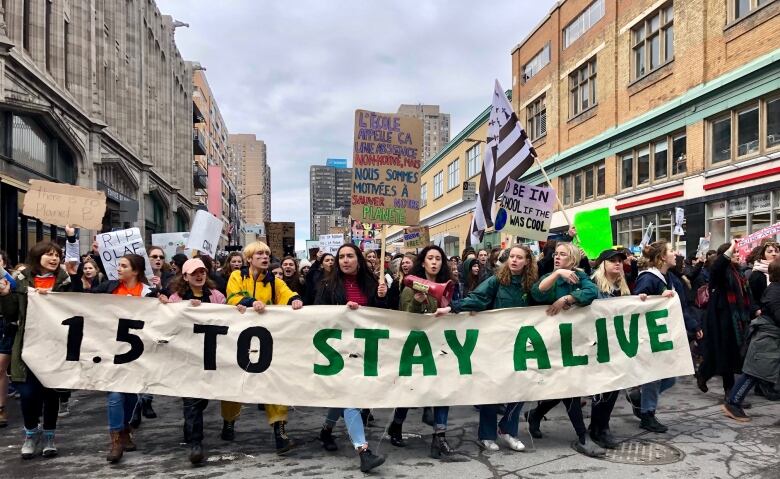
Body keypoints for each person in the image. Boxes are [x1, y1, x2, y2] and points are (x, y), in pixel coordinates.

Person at [440, 244, 537, 452]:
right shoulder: (496, 280)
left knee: (520, 389)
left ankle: (508, 430)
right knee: (492, 389)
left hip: (520, 343)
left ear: (527, 261)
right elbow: (477, 298)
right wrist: (453, 308)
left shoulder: (532, 284)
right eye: (512, 256)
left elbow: (544, 300)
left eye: (519, 257)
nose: (514, 260)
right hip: (496, 343)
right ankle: (486, 434)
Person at [75, 253, 159, 463]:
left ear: (136, 271)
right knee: (114, 394)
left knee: (132, 396)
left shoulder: (149, 293)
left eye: (123, 265)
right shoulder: (109, 287)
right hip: (112, 350)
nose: (118, 268)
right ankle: (115, 440)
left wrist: (163, 298)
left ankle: (125, 430)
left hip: (138, 353)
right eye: (118, 265)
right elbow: (82, 300)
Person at [0, 239, 78, 459]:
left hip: (55, 346)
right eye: (49, 254)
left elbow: (78, 306)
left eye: (57, 255)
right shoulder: (21, 281)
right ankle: (31, 433)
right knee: (27, 394)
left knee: (50, 393)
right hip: (27, 346)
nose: (54, 258)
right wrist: (5, 296)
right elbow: (11, 315)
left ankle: (50, 436)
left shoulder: (64, 281)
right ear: (37, 256)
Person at [224, 241, 303, 454]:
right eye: (260, 253)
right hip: (240, 340)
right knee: (234, 382)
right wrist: (250, 303)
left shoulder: (273, 280)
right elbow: (232, 297)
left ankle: (280, 432)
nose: (265, 256)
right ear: (249, 258)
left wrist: (295, 300)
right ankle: (229, 420)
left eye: (267, 253)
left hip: (266, 341)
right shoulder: (236, 276)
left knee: (274, 382)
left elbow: (287, 293)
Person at [314, 244, 387, 473]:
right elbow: (317, 314)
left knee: (345, 396)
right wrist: (341, 312)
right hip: (338, 350)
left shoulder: (373, 284)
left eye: (350, 256)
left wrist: (383, 297)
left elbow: (384, 316)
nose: (345, 260)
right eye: (341, 257)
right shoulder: (327, 285)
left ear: (359, 259)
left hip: (365, 350)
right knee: (350, 395)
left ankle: (326, 430)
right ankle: (363, 451)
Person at [526, 242, 603, 457]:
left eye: (562, 255)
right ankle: (582, 437)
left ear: (573, 259)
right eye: (556, 255)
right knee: (567, 387)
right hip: (550, 341)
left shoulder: (580, 275)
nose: (557, 257)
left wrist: (568, 298)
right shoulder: (550, 275)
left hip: (571, 341)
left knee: (567, 387)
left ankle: (536, 415)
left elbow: (591, 292)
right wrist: (558, 272)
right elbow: (537, 293)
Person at [394, 245, 458, 460]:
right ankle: (396, 425)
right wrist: (415, 302)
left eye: (438, 258)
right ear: (423, 262)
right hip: (417, 348)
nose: (434, 262)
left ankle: (439, 437)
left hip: (441, 346)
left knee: (443, 391)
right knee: (411, 391)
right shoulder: (411, 288)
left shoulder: (450, 286)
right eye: (430, 258)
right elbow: (404, 318)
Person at [631, 240, 698, 433]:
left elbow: (680, 306)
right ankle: (647, 414)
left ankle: (640, 398)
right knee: (654, 376)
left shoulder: (668, 277)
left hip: (665, 335)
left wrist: (694, 325)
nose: (676, 253)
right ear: (662, 257)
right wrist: (644, 299)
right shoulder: (648, 278)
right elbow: (636, 304)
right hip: (651, 336)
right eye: (671, 251)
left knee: (669, 378)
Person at [166, 258, 229, 464]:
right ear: (185, 277)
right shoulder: (176, 298)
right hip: (186, 357)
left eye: (202, 272)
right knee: (192, 399)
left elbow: (228, 319)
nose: (199, 276)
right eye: (194, 273)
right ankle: (196, 443)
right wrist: (183, 308)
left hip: (211, 356)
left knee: (202, 399)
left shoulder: (217, 296)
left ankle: (190, 425)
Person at [722, 258, 780, 421]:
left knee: (756, 372)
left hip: (771, 337)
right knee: (754, 372)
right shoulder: (775, 291)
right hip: (767, 338)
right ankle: (733, 404)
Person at [586, 249, 632, 449]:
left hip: (615, 342)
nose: (617, 264)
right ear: (602, 264)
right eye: (612, 261)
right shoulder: (592, 284)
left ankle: (601, 426)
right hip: (595, 343)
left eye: (620, 261)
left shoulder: (622, 286)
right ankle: (599, 427)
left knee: (613, 386)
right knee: (602, 387)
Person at [697, 240, 752, 401]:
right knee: (727, 354)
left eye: (737, 252)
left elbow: (746, 295)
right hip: (721, 320)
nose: (736, 254)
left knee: (721, 354)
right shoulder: (720, 272)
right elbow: (718, 266)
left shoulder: (739, 272)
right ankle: (730, 392)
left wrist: (754, 309)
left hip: (737, 320)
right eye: (733, 253)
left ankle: (704, 374)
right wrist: (729, 250)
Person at [0, 250, 17, 428]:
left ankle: (1, 408)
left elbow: (15, 286)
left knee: (0, 368)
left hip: (3, 325)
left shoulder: (9, 279)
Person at [748, 242, 779, 316]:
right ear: (763, 255)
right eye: (769, 251)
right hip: (765, 316)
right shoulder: (757, 275)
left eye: (777, 251)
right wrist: (758, 311)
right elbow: (751, 297)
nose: (774, 254)